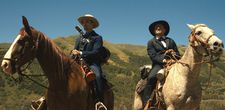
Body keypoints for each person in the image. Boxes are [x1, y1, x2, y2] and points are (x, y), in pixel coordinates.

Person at [71, 14, 106, 108]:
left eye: (87, 22)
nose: (84, 24)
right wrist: (73, 53)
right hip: (77, 63)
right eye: (83, 22)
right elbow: (75, 50)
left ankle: (99, 102)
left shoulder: (97, 38)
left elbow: (96, 52)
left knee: (97, 76)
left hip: (92, 63)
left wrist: (81, 53)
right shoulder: (79, 38)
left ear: (92, 24)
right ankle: (45, 99)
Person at [143, 20, 180, 107]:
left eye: (160, 27)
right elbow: (153, 56)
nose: (158, 28)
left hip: (173, 63)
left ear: (164, 30)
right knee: (151, 77)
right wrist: (164, 60)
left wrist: (174, 55)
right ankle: (147, 103)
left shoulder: (171, 41)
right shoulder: (151, 42)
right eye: (156, 27)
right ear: (154, 31)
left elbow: (178, 54)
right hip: (158, 65)